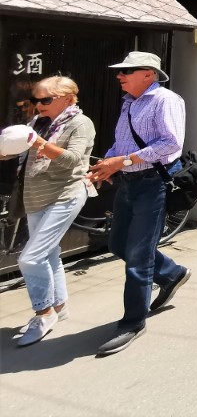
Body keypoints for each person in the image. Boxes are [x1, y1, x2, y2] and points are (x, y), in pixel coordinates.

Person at [86, 52, 190, 356]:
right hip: (128, 182)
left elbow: (171, 144)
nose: (120, 76)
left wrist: (125, 160)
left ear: (149, 73)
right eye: (120, 71)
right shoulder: (130, 101)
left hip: (152, 184)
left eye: (127, 71)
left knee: (139, 257)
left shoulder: (165, 100)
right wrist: (108, 162)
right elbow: (122, 143)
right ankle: (172, 273)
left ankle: (133, 322)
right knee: (118, 243)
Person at [5, 77, 96, 347]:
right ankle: (59, 306)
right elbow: (20, 150)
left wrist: (37, 143)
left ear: (68, 98)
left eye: (46, 100)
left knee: (30, 258)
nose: (39, 105)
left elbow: (72, 160)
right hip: (35, 196)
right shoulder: (38, 123)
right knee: (49, 253)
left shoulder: (81, 123)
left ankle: (43, 313)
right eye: (37, 100)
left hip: (65, 195)